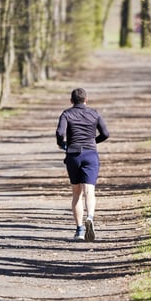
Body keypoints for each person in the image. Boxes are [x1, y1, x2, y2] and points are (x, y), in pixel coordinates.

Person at [56, 88, 109, 241]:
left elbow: (60, 133)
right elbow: (105, 133)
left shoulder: (66, 114)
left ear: (71, 101)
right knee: (89, 191)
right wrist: (93, 142)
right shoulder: (94, 113)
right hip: (90, 155)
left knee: (76, 193)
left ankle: (79, 230)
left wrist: (63, 144)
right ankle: (90, 217)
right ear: (86, 99)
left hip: (73, 155)